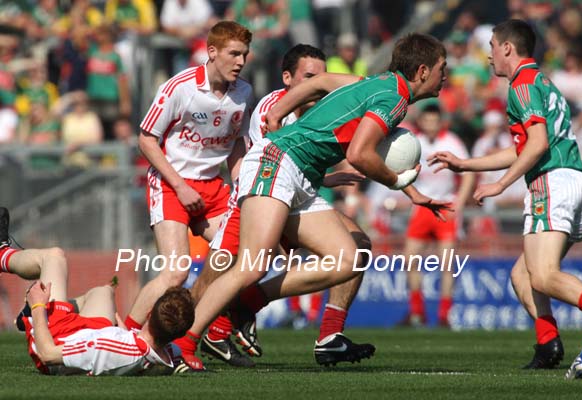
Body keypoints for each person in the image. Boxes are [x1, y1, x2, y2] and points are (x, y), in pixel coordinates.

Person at [187, 33, 451, 368]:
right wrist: (397, 180)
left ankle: (250, 307)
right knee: (247, 267)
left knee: (348, 257)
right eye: (443, 68)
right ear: (424, 71)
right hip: (277, 164)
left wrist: (413, 193)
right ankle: (185, 341)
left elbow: (323, 82)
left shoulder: (381, 83)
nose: (447, 75)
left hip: (297, 174)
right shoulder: (394, 99)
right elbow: (359, 154)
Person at [176, 44, 374, 369]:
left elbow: (302, 163)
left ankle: (329, 338)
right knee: (211, 282)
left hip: (294, 196)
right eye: (310, 77)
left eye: (323, 78)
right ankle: (167, 342)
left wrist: (325, 179)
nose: (318, 84)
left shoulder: (324, 109)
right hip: (254, 198)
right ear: (287, 78)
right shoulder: (272, 107)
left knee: (358, 246)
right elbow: (276, 166)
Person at [428, 19, 582, 379]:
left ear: (507, 48)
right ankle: (548, 345)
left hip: (551, 183)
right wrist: (466, 163)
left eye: (491, 45)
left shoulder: (521, 84)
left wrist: (500, 185)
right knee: (522, 276)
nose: (487, 55)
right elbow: (525, 144)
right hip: (575, 181)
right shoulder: (542, 82)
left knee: (543, 276)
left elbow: (536, 146)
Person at [122, 21, 252, 372]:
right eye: (233, 53)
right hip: (172, 184)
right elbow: (146, 139)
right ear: (212, 52)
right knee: (176, 271)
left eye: (244, 54)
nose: (240, 61)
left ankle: (208, 331)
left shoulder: (243, 93)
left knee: (246, 256)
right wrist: (179, 185)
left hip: (212, 188)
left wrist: (240, 183)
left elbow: (236, 142)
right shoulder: (179, 87)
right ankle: (127, 338)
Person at [0, 207, 195, 376]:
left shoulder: (111, 347)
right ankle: (36, 311)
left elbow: (48, 355)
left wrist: (37, 306)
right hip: (92, 333)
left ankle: (2, 254)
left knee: (54, 257)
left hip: (57, 338)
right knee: (104, 292)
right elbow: (149, 354)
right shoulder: (168, 353)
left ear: (150, 313)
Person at [401, 103, 475, 328]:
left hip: (445, 207)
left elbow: (468, 173)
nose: (431, 125)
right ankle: (417, 312)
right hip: (423, 207)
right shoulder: (414, 142)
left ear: (441, 122)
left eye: (435, 121)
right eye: (427, 121)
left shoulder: (452, 142)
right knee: (410, 259)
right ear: (421, 122)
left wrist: (459, 204)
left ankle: (444, 315)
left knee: (446, 264)